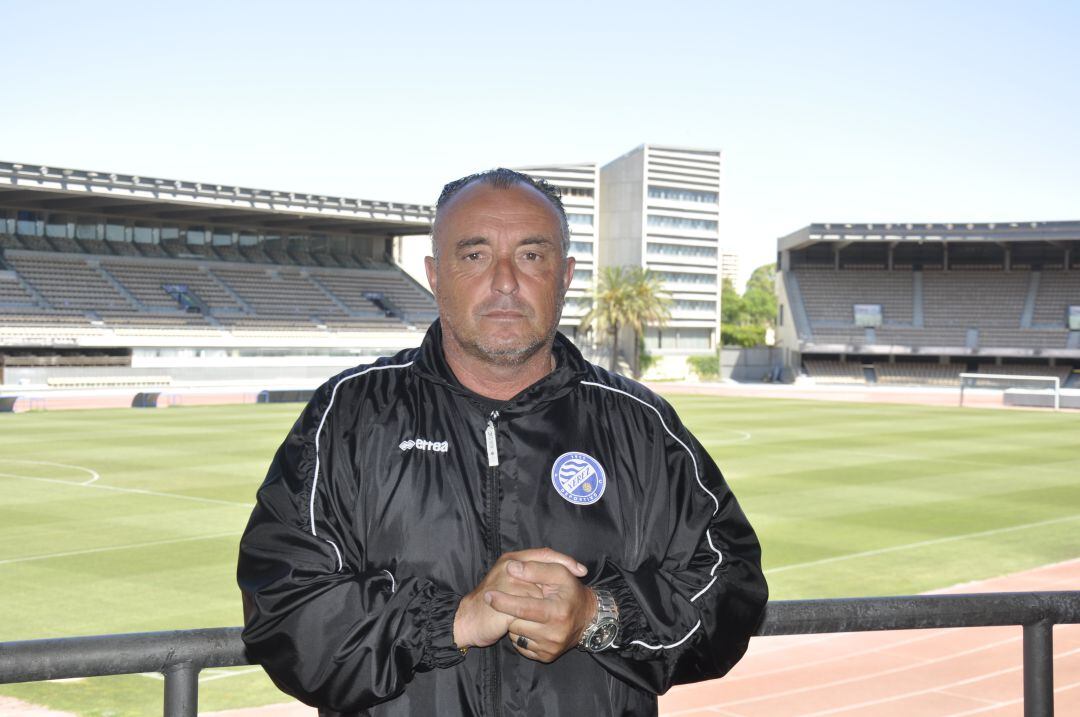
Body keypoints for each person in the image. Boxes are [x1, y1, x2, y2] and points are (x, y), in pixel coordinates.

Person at [237, 168, 768, 716]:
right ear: (434, 275)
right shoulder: (349, 414)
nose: (507, 281)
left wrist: (600, 614)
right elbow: (283, 610)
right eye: (475, 255)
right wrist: (453, 621)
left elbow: (732, 589)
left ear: (564, 276)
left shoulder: (641, 425)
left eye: (532, 256)